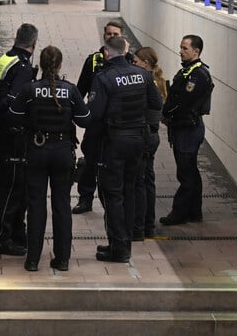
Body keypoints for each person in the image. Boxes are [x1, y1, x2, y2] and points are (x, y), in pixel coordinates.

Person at [8, 45, 90, 272]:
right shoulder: (70, 90)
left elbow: (13, 117)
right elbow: (85, 120)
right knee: (62, 205)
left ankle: (32, 259)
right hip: (63, 152)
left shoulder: (29, 89)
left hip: (36, 151)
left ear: (41, 65)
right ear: (60, 65)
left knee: (36, 205)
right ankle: (62, 259)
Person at [86, 36, 163, 263]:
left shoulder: (104, 77)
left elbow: (95, 115)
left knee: (113, 195)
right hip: (138, 139)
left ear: (107, 54)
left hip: (115, 143)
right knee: (130, 191)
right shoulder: (144, 75)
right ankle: (126, 242)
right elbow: (157, 104)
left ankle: (118, 247)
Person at [72, 20, 133, 214]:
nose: (112, 38)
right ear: (104, 36)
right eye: (109, 34)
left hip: (118, 124)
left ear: (122, 37)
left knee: (115, 165)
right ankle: (85, 198)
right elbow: (80, 90)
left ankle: (114, 202)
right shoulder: (93, 60)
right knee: (90, 160)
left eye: (116, 35)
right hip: (96, 123)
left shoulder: (130, 60)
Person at [0, 23, 39, 255]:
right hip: (12, 134)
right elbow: (12, 99)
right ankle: (3, 238)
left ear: (16, 36)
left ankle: (16, 233)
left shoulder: (4, 58)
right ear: (34, 44)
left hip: (0, 131)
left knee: (9, 186)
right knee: (11, 188)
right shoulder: (23, 68)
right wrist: (0, 115)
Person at [160, 35, 214, 227]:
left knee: (185, 173)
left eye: (184, 48)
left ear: (196, 51)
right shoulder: (188, 71)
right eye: (180, 47)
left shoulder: (197, 74)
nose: (180, 51)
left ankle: (179, 212)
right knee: (190, 170)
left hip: (188, 128)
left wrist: (166, 113)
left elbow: (183, 101)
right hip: (183, 127)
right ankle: (194, 211)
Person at [132, 47, 167, 241]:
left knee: (140, 181)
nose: (133, 65)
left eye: (136, 62)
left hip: (145, 136)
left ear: (145, 63)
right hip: (151, 136)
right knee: (148, 180)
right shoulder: (156, 81)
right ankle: (147, 224)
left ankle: (141, 225)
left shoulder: (147, 83)